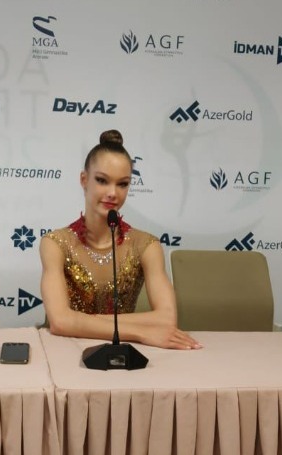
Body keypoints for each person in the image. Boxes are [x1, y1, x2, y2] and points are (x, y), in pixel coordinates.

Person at [40, 130, 201, 350]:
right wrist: (141, 332)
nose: (113, 193)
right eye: (102, 180)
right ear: (84, 180)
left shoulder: (146, 245)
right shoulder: (55, 243)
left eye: (122, 184)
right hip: (64, 352)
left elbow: (166, 319)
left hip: (124, 355)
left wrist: (77, 321)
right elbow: (60, 322)